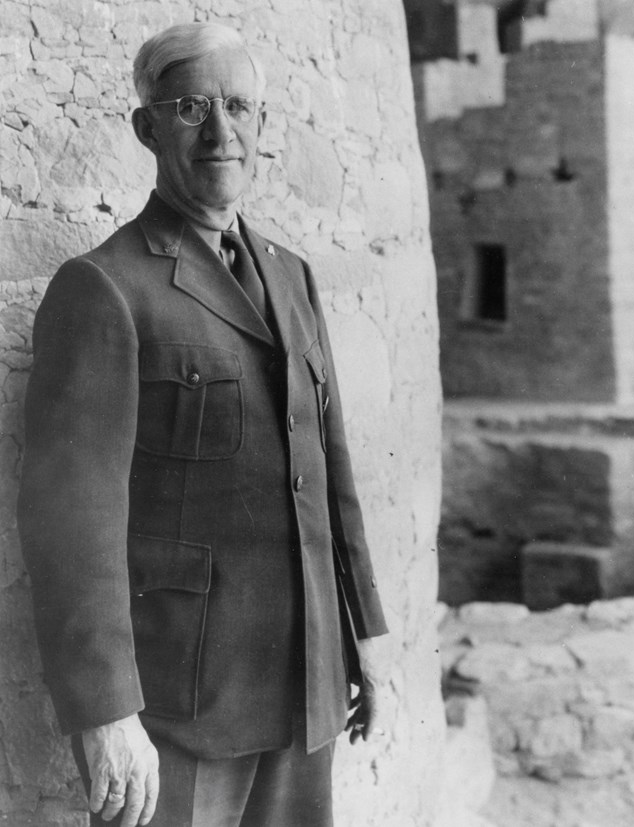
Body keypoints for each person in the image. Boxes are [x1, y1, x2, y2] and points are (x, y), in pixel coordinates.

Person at [17, 20, 388, 827]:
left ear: (262, 125)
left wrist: (360, 633)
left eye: (240, 108)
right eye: (191, 108)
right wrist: (106, 714)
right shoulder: (105, 288)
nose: (222, 133)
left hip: (305, 681)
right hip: (179, 704)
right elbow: (72, 526)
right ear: (146, 129)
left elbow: (329, 471)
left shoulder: (292, 276)